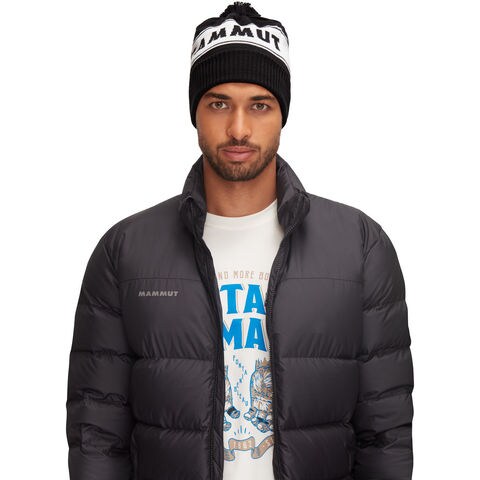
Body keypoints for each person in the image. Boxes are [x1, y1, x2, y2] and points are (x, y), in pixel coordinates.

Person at [65, 2, 414, 479]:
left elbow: (385, 434)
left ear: (282, 114)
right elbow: (97, 435)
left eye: (259, 105)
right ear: (195, 112)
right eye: (219, 103)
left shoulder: (359, 248)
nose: (238, 128)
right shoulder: (125, 252)